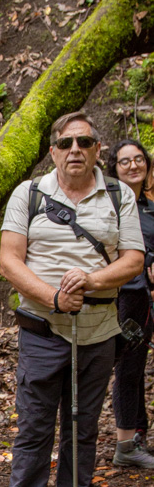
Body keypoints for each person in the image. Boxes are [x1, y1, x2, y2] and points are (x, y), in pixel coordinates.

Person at [0, 111, 144, 487]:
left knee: (82, 429)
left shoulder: (118, 194)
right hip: (42, 332)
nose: (74, 150)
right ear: (53, 151)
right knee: (34, 430)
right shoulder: (29, 193)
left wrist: (92, 280)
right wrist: (54, 298)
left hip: (98, 333)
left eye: (84, 142)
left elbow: (134, 259)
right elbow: (9, 260)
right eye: (65, 143)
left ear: (98, 149)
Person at [106, 139, 154, 469]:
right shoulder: (110, 206)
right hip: (121, 297)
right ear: (115, 168)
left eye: (139, 159)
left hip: (146, 298)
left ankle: (139, 433)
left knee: (136, 368)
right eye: (125, 161)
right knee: (126, 368)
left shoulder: (149, 207)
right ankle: (126, 444)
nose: (134, 165)